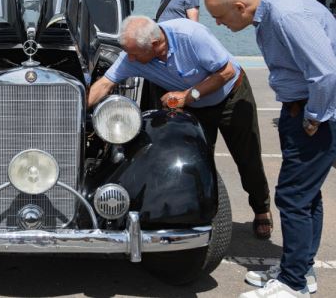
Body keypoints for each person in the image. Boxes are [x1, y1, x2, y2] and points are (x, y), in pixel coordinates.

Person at [206, 0, 336, 298]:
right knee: (306, 196)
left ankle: (292, 283)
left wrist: (314, 117)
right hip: (299, 111)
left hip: (314, 115)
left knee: (292, 197)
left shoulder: (285, 15)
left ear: (239, 6)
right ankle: (301, 270)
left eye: (221, 18)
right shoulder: (268, 14)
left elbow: (325, 72)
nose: (221, 26)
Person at [88, 15, 272, 239]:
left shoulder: (191, 35)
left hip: (229, 97)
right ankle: (203, 213)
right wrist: (81, 110)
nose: (131, 60)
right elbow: (106, 83)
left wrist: (188, 96)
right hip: (194, 107)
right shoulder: (132, 56)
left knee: (247, 157)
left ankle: (261, 208)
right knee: (197, 160)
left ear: (155, 45)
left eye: (135, 54)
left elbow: (226, 72)